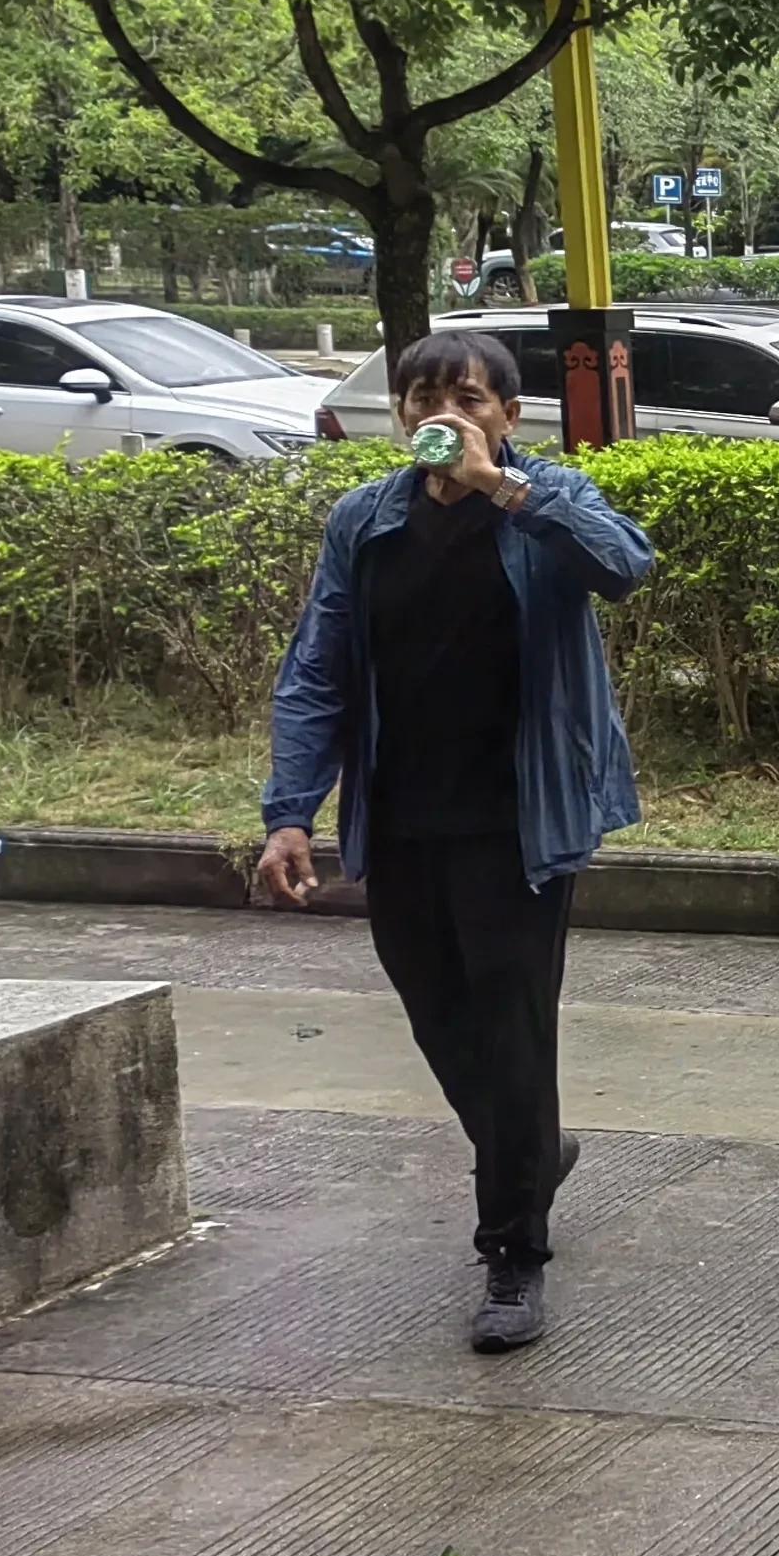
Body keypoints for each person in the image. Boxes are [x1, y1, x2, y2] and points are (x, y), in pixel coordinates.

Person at [257, 331, 655, 1354]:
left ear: (506, 418)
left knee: (513, 1030)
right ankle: (528, 1151)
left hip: (523, 817)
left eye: (466, 398)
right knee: (437, 1015)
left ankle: (512, 1257)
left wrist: (504, 489)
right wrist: (290, 812)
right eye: (422, 397)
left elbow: (627, 566)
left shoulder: (543, 502)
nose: (442, 413)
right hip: (400, 815)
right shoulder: (367, 518)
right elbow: (317, 670)